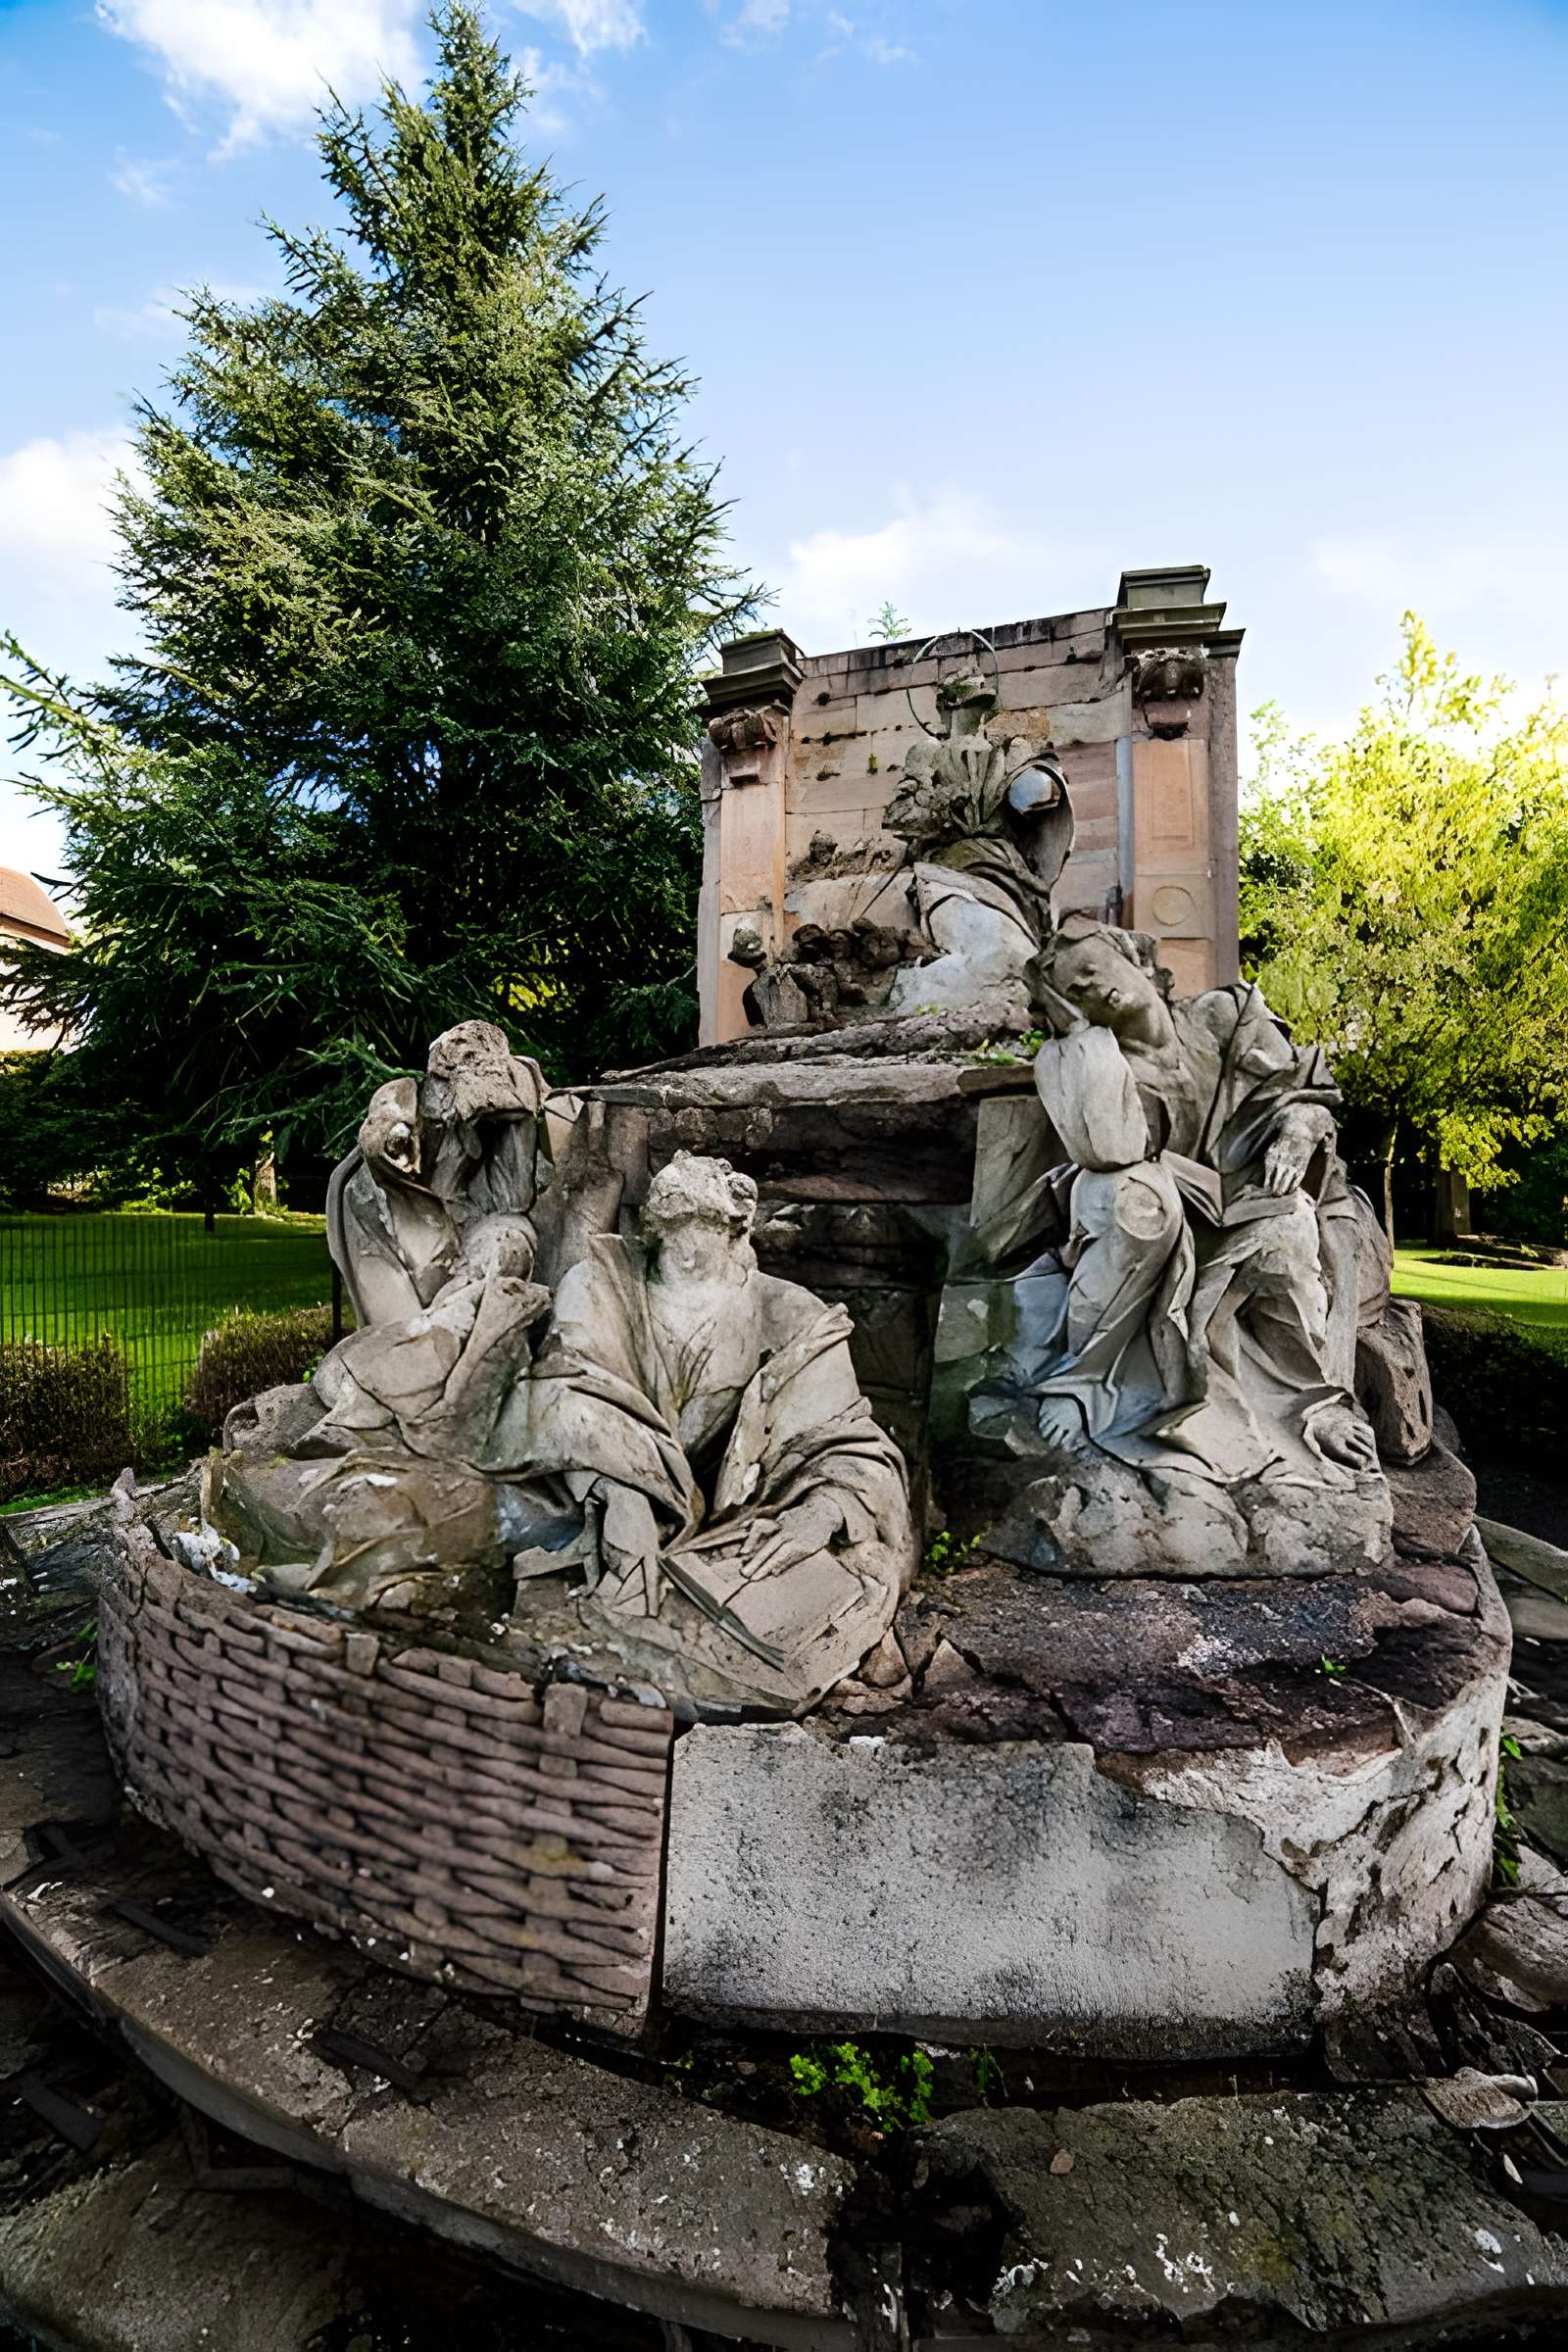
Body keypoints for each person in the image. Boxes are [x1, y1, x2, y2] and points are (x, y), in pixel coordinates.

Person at [975, 917, 1381, 1488]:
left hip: (1248, 1200)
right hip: (1174, 1219)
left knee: (1289, 1231)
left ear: (1135, 956)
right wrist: (1073, 1032)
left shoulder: (1226, 1016)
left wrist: (1299, 1122)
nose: (1091, 988)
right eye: (1075, 992)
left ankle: (1314, 1405)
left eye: (1091, 969)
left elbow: (1304, 1091)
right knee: (1133, 1201)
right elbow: (1108, 1151)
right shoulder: (1109, 1065)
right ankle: (1085, 1385)